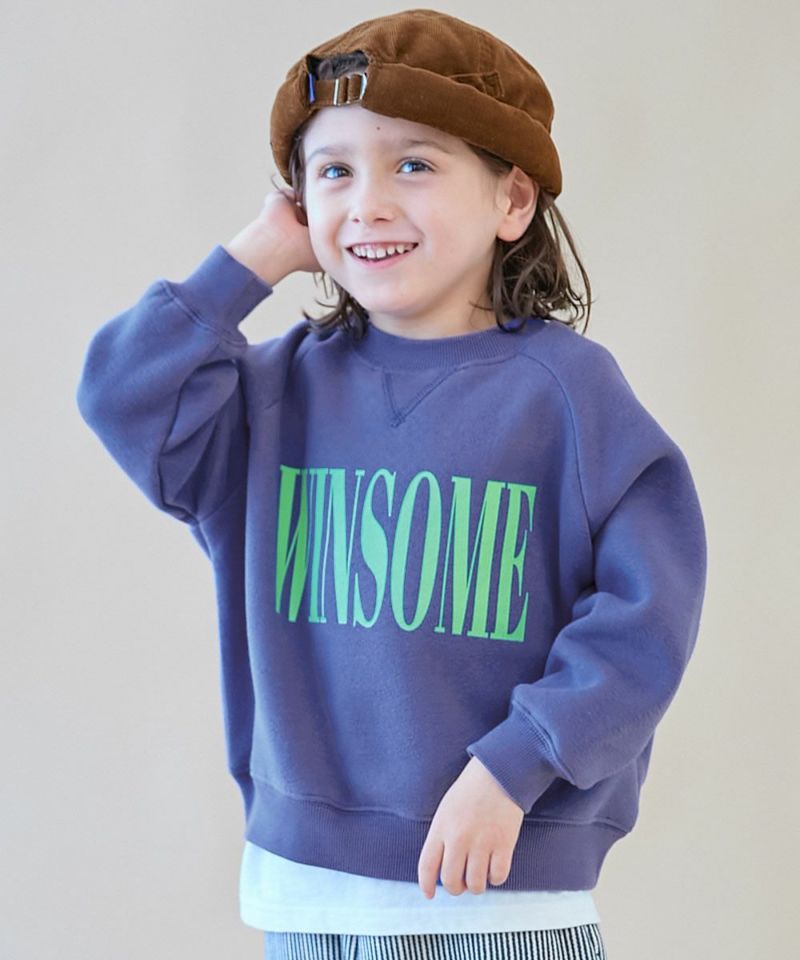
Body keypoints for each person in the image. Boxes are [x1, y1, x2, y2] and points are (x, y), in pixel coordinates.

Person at [75, 8, 707, 960]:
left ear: (513, 200)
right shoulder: (270, 397)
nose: (367, 204)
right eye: (333, 172)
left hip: (500, 905)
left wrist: (516, 766)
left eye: (413, 164)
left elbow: (646, 622)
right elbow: (120, 394)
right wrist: (253, 258)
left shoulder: (569, 397)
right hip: (305, 903)